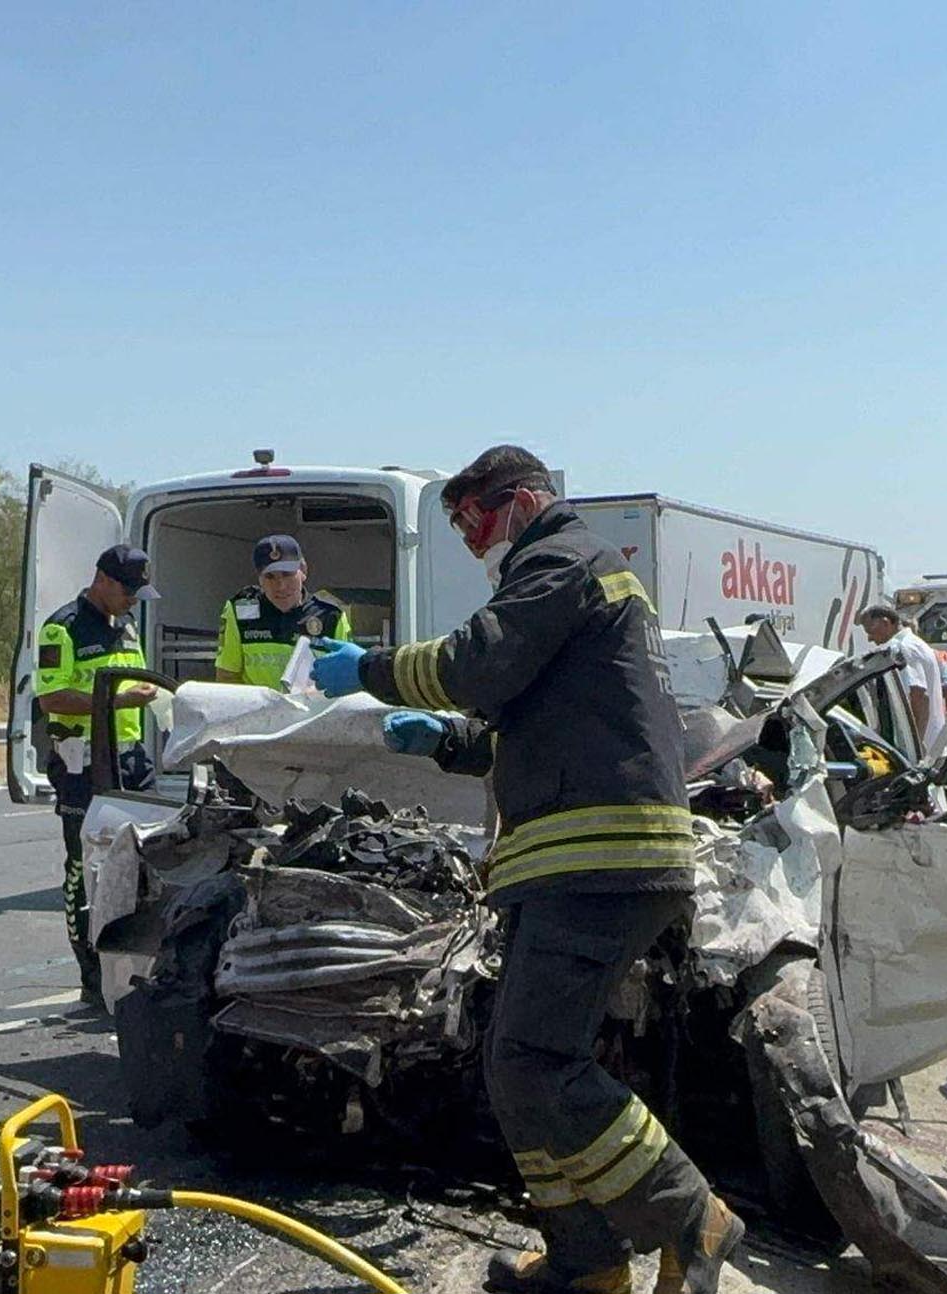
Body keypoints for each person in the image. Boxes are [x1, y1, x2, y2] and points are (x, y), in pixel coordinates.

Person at [309, 445, 743, 1294]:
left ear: (524, 499)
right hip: (579, 863)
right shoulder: (570, 576)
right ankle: (587, 1261)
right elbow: (538, 720)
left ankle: (695, 1216)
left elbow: (479, 663)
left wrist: (368, 670)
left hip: (601, 861)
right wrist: (449, 742)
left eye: (477, 521)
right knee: (516, 1068)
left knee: (539, 1062)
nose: (478, 545)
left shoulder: (563, 558)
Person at [35, 544, 160, 1004]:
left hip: (130, 756)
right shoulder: (62, 628)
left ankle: (138, 963)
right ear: (102, 580)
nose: (133, 600)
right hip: (82, 761)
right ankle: (91, 971)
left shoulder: (126, 626)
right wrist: (118, 701)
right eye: (128, 590)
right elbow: (52, 699)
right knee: (83, 866)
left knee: (148, 858)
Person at [213, 534, 353, 690]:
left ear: (303, 570)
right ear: (259, 578)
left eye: (287, 574)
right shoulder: (239, 610)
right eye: (270, 577)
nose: (280, 586)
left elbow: (345, 679)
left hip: (312, 710)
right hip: (257, 712)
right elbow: (227, 677)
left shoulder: (331, 615)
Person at [858, 606, 947, 751]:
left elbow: (919, 696)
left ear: (886, 623)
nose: (870, 638)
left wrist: (915, 748)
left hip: (922, 747)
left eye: (871, 632)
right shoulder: (918, 644)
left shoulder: (900, 648)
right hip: (934, 742)